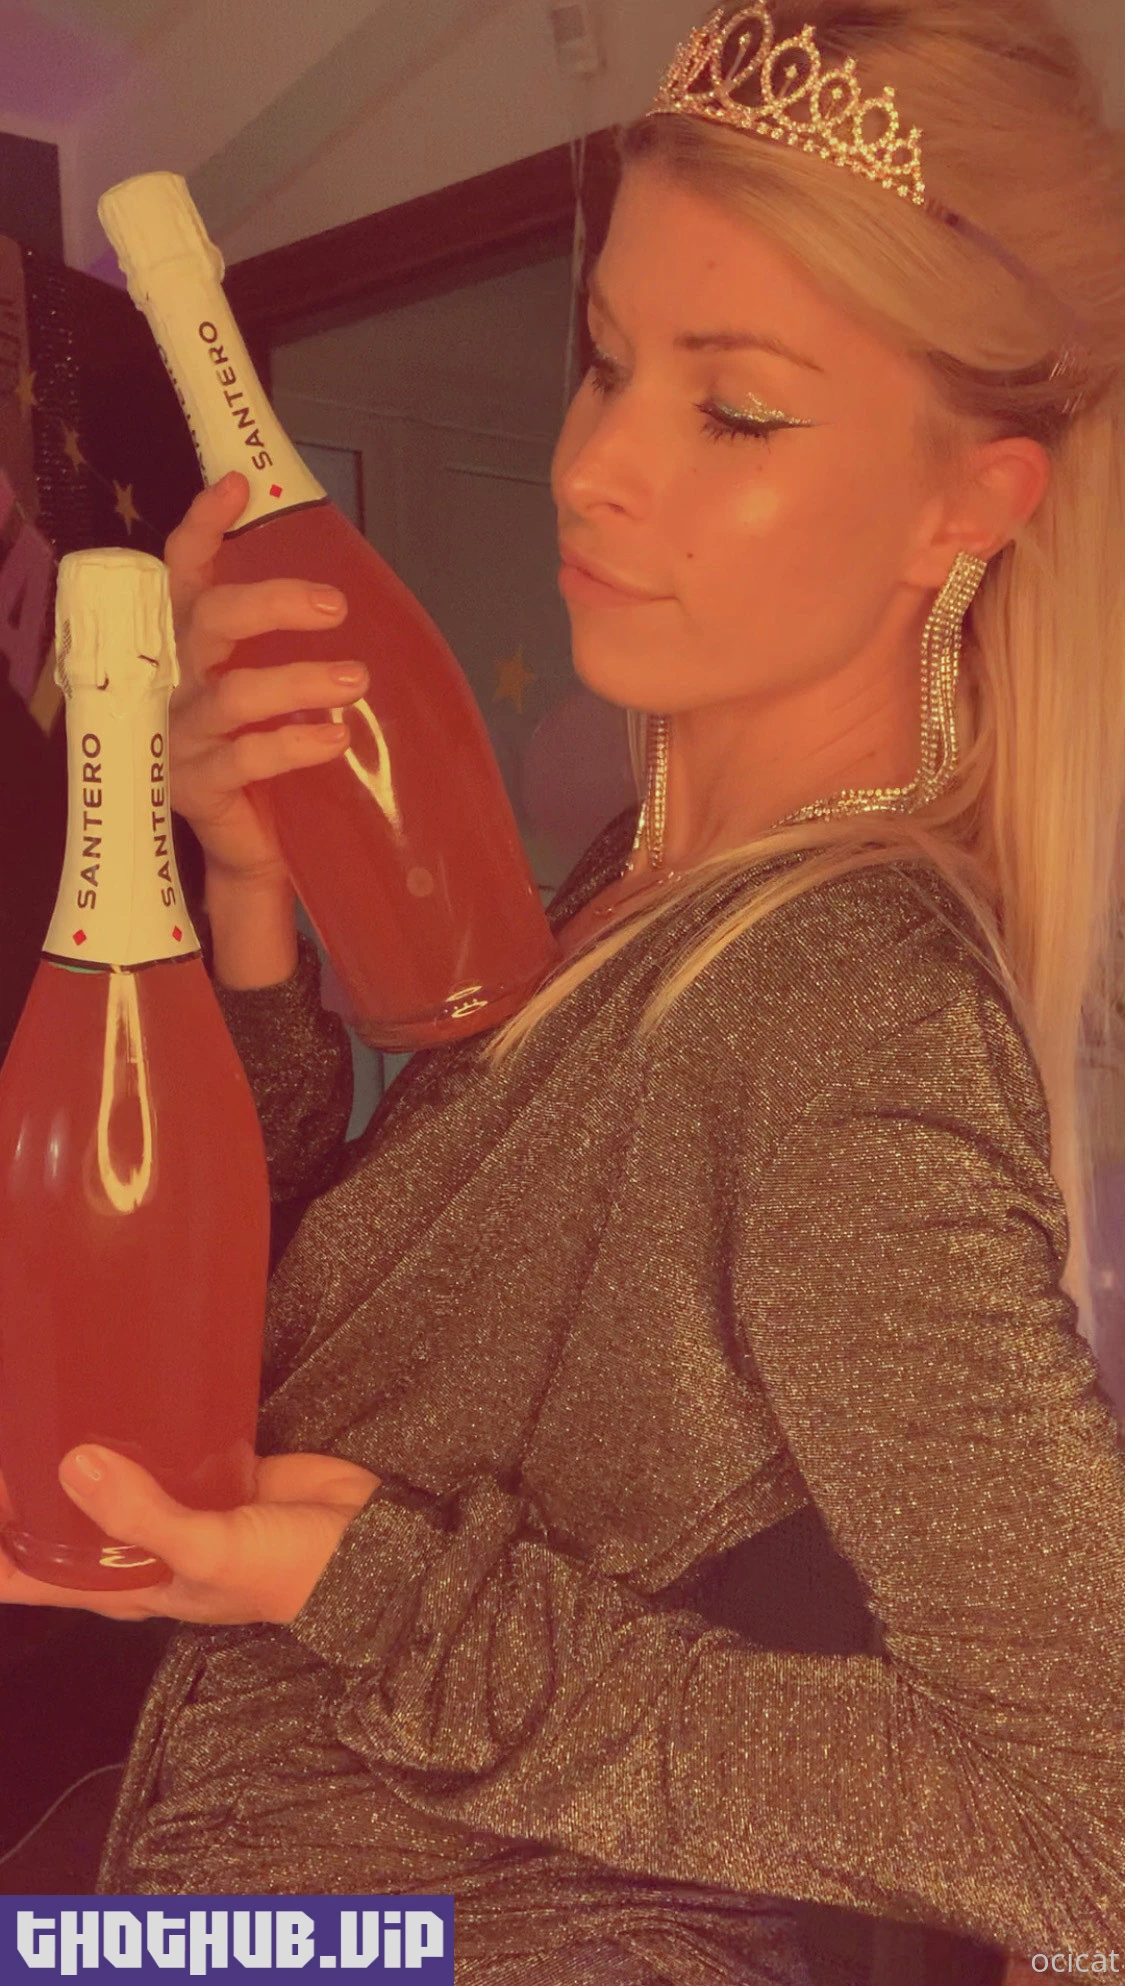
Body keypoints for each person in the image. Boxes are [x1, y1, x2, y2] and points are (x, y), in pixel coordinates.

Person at [2, 0, 1124, 1979]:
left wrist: (381, 1595)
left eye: (736, 408)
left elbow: (1083, 1824)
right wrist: (246, 901)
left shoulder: (850, 996)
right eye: (605, 360)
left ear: (971, 505)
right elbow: (350, 1336)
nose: (594, 466)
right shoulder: (648, 879)